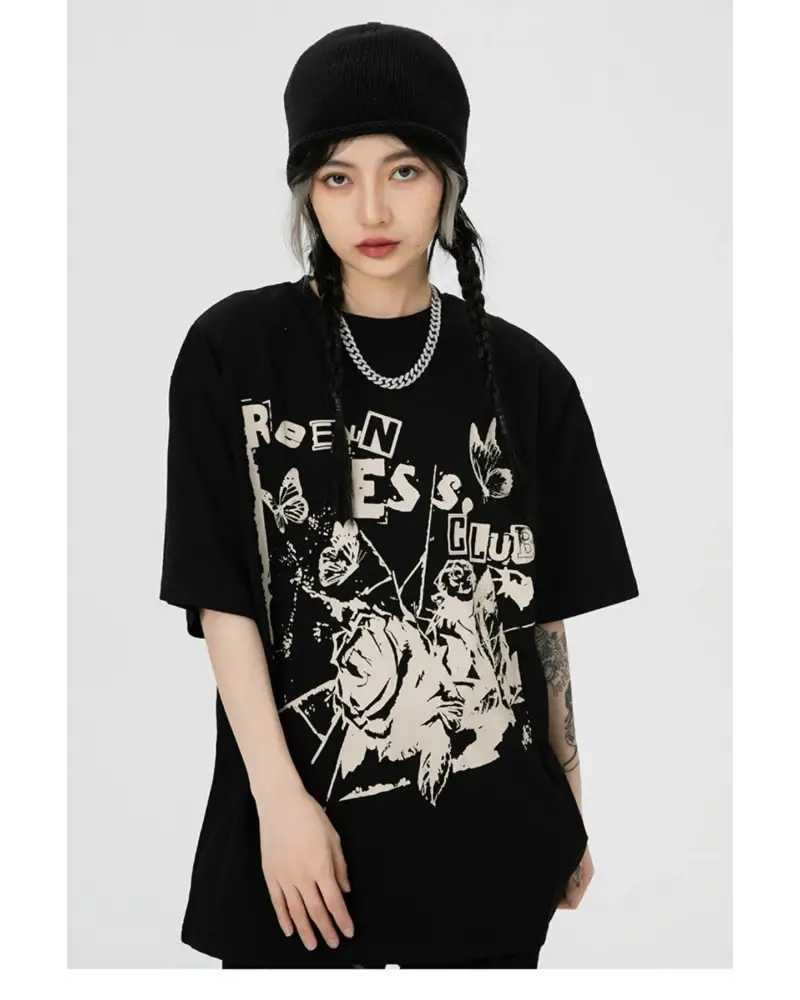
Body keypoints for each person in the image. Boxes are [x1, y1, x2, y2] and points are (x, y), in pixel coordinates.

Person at [158, 21, 639, 970]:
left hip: (495, 846)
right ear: (307, 190)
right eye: (338, 176)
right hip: (302, 860)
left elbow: (535, 616)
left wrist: (570, 802)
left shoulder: (528, 378)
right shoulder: (235, 353)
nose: (371, 207)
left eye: (404, 170)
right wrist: (280, 803)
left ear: (449, 181)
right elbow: (223, 599)